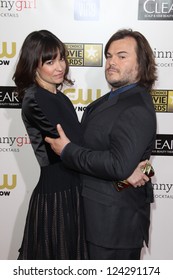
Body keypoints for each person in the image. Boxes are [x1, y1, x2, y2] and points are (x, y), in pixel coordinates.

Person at [45, 29, 157, 260]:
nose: (111, 62)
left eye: (122, 56)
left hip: (113, 228)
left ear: (141, 63)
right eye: (108, 56)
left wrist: (67, 151)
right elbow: (122, 162)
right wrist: (133, 170)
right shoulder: (107, 101)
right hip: (94, 221)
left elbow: (118, 165)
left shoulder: (135, 106)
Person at [12, 30, 88, 260]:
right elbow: (76, 142)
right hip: (57, 195)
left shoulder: (60, 97)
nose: (59, 67)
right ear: (34, 64)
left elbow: (77, 145)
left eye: (61, 58)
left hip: (73, 189)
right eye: (50, 61)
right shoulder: (35, 98)